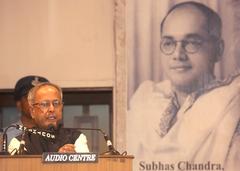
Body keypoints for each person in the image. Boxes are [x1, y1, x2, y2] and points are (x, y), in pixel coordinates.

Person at [127, 1, 240, 171]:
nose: (178, 55)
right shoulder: (146, 100)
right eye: (169, 43)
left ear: (218, 50)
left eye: (192, 42)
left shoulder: (232, 108)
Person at [8, 82, 89, 154]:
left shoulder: (76, 138)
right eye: (45, 104)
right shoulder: (19, 142)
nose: (52, 109)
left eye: (56, 103)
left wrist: (74, 160)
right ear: (32, 111)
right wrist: (57, 160)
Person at [4, 75, 49, 146]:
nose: (36, 102)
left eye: (42, 98)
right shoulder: (6, 136)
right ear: (19, 104)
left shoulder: (57, 135)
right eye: (30, 98)